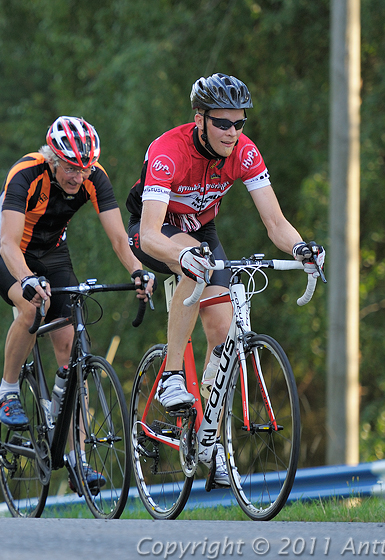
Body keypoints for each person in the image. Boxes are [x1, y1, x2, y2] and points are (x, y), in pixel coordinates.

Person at [125, 73, 325, 486]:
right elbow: (149, 233)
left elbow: (275, 223)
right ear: (199, 118)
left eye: (239, 123)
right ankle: (171, 377)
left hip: (201, 230)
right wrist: (183, 255)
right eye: (222, 123)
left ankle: (209, 438)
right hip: (155, 230)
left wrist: (301, 248)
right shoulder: (168, 151)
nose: (232, 132)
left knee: (222, 332)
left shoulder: (244, 152)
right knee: (195, 263)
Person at [0, 116, 153, 491]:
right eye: (71, 168)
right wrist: (27, 280)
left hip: (52, 252)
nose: (78, 177)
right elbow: (8, 244)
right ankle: (8, 391)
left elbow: (119, 239)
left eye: (85, 169)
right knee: (32, 307)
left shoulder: (94, 177)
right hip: (4, 250)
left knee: (71, 348)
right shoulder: (26, 173)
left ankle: (77, 457)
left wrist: (138, 271)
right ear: (52, 158)